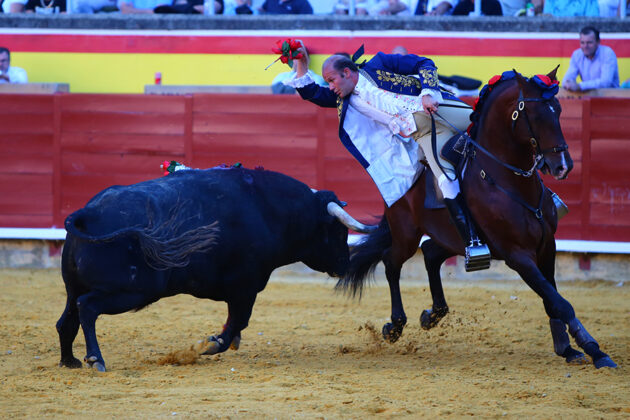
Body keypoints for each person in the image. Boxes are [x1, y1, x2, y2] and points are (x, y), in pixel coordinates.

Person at [283, 42, 490, 266]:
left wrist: (429, 93)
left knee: (486, 125)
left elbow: (424, 63)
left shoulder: (379, 63)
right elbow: (312, 93)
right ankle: (473, 243)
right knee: (446, 181)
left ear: (346, 73)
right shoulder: (344, 99)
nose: (330, 86)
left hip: (439, 108)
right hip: (425, 134)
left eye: (332, 80)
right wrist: (300, 65)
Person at [562, 26, 620, 91]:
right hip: (588, 98)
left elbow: (605, 82)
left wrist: (580, 86)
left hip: (611, 98)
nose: (585, 46)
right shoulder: (577, 54)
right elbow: (566, 80)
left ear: (598, 42)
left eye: (589, 43)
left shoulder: (607, 53)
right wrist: (568, 84)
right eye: (582, 42)